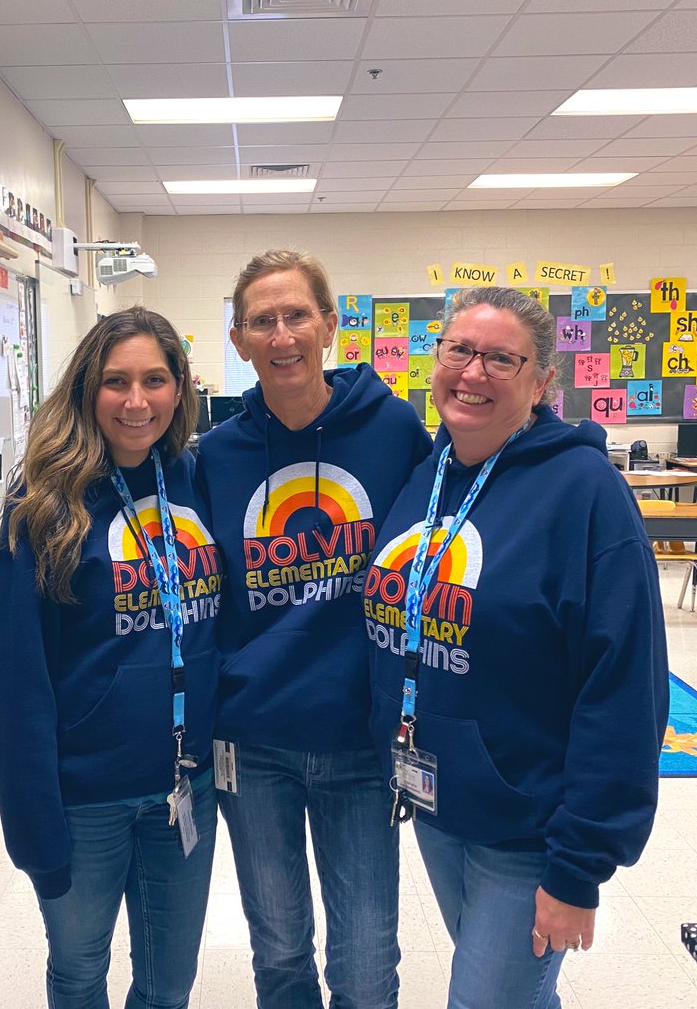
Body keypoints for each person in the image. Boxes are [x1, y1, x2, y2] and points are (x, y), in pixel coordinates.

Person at [365, 286, 669, 1009]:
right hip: (440, 802)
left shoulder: (585, 492)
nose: (473, 372)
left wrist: (578, 868)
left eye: (502, 359)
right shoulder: (427, 476)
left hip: (530, 826)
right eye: (459, 351)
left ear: (541, 383)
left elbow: (624, 689)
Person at [196, 249, 432, 1008]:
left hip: (359, 737)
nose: (282, 334)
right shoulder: (217, 454)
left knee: (365, 962)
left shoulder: (392, 429)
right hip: (252, 740)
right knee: (279, 952)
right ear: (239, 341)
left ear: (330, 326)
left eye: (297, 314)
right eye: (262, 321)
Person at [0, 306, 222, 1009]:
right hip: (84, 798)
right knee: (80, 974)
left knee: (169, 985)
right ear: (88, 388)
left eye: (155, 380)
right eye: (117, 381)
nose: (136, 400)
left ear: (180, 388)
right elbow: (16, 682)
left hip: (184, 783)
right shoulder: (42, 501)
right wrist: (34, 828)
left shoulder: (196, 478)